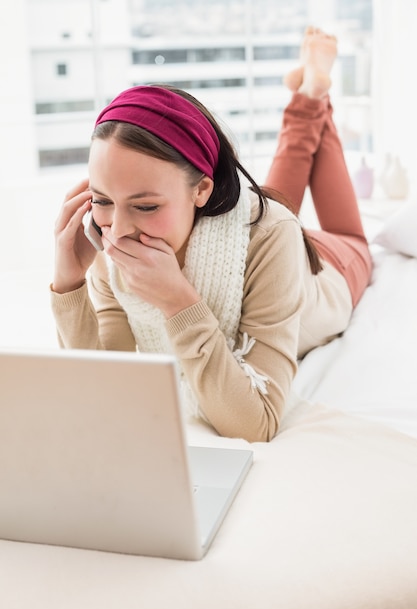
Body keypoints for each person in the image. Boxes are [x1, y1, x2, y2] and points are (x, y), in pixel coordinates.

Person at [51, 27, 372, 443]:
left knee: (327, 229)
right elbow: (106, 383)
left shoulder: (272, 232)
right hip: (257, 228)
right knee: (274, 200)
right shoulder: (109, 239)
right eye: (102, 199)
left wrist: (178, 301)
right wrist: (68, 283)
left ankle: (313, 99)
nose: (121, 230)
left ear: (202, 188)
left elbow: (256, 423)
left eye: (146, 206)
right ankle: (310, 94)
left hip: (332, 267)